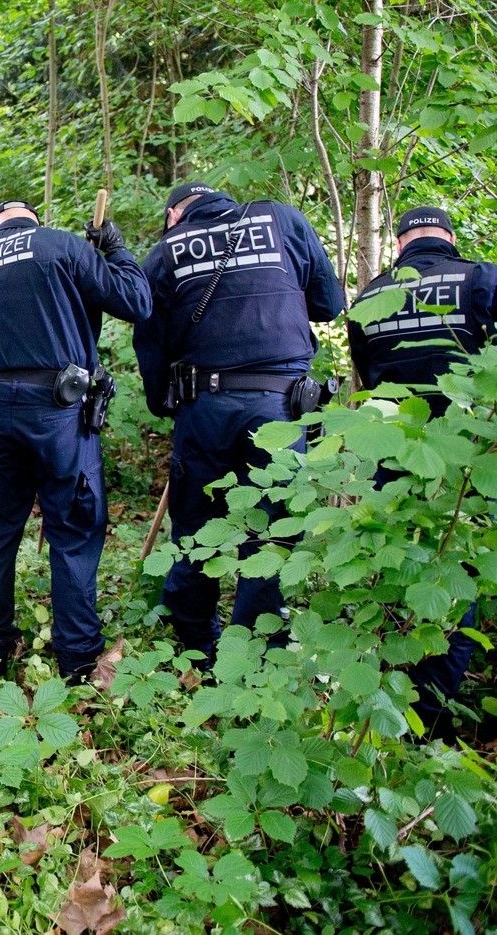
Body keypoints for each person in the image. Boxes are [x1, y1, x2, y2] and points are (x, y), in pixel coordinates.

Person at [133, 182, 343, 665]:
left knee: (195, 524)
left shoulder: (164, 253)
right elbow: (329, 305)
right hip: (281, 406)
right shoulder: (283, 219)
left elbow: (150, 341)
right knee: (272, 532)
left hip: (203, 404)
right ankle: (252, 652)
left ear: (173, 216)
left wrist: (165, 403)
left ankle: (193, 644)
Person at [0, 200, 151, 679]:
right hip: (57, 411)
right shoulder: (60, 245)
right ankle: (78, 655)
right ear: (33, 220)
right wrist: (116, 251)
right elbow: (136, 302)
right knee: (74, 529)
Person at [346, 205, 487, 734]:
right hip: (467, 460)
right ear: (449, 238)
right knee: (456, 576)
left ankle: (387, 706)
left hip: (393, 452)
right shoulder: (480, 279)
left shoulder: (370, 296)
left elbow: (368, 373)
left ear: (399, 244)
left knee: (393, 570)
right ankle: (425, 717)